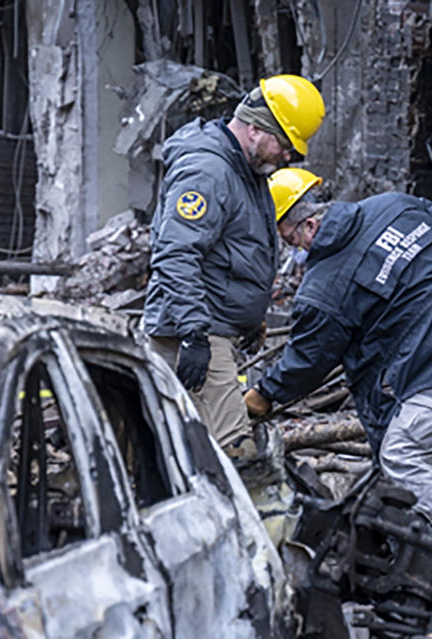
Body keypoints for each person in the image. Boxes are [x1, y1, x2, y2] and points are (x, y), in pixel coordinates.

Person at [244, 168, 432, 549]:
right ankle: (414, 559)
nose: (291, 247)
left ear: (308, 225)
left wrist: (263, 394)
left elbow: (308, 361)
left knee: (403, 456)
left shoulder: (324, 289)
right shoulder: (393, 205)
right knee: (424, 468)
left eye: (288, 237)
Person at [144, 75, 325, 459]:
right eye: (286, 145)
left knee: (186, 452)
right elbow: (175, 254)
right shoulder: (209, 172)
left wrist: (250, 318)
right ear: (257, 128)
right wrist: (194, 334)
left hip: (212, 330)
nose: (289, 157)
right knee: (235, 454)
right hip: (194, 334)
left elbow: (233, 250)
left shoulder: (246, 170)